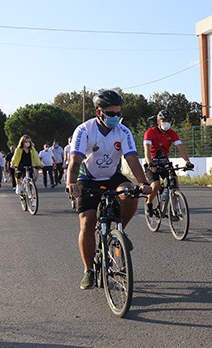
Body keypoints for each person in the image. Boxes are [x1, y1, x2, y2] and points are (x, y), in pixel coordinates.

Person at [66, 89, 151, 290]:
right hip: (88, 178)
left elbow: (131, 158)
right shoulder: (84, 130)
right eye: (111, 114)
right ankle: (88, 270)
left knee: (130, 193)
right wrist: (72, 183)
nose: (116, 117)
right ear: (99, 113)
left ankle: (119, 231)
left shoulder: (124, 131)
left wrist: (143, 183)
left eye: (118, 113)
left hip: (112, 176)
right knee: (87, 222)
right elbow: (75, 160)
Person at [142, 109, 194, 216]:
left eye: (169, 121)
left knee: (174, 182)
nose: (167, 123)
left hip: (165, 162)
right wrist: (150, 163)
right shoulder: (150, 132)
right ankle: (149, 203)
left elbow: (180, 147)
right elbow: (146, 149)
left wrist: (187, 161)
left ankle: (174, 210)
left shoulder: (172, 133)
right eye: (164, 120)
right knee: (155, 185)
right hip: (152, 163)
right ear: (158, 121)